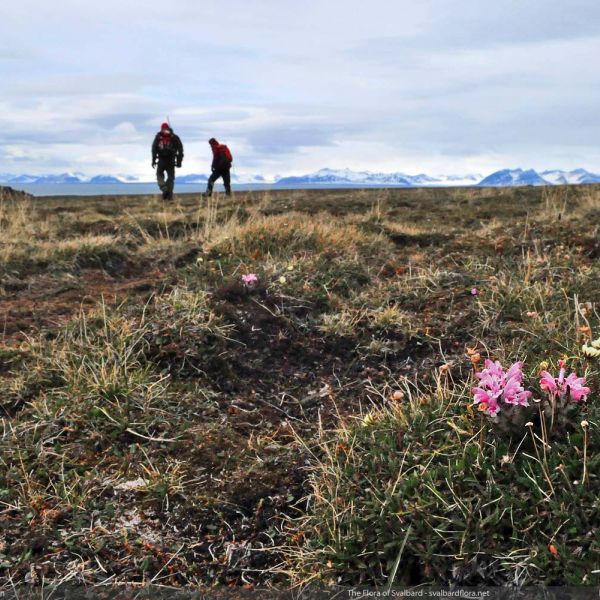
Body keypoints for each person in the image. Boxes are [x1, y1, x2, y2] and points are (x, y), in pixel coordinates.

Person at [151, 122, 184, 200]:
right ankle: (169, 196)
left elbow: (154, 149)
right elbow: (180, 150)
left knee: (159, 175)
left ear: (161, 129)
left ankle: (164, 188)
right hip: (171, 161)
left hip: (161, 160)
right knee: (171, 178)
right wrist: (179, 162)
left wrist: (153, 160)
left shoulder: (158, 137)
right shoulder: (174, 137)